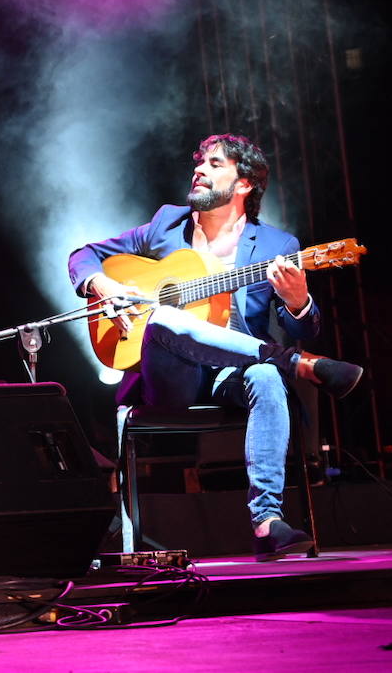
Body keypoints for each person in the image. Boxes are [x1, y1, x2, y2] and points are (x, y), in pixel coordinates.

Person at [68, 134, 363, 561]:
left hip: (232, 374)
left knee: (264, 375)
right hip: (170, 376)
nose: (199, 170)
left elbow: (306, 328)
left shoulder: (279, 247)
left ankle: (267, 523)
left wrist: (299, 302)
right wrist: (104, 285)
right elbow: (84, 255)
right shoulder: (168, 223)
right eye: (199, 162)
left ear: (244, 184)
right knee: (166, 317)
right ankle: (296, 365)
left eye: (214, 163)